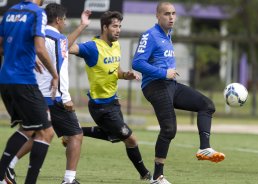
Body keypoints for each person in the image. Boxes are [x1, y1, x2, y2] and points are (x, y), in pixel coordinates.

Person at [132, 2, 225, 184]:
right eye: (167, 14)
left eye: (173, 13)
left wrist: (168, 75)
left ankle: (204, 148)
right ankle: (157, 177)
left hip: (171, 85)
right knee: (169, 129)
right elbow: (137, 63)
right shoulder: (150, 35)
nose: (171, 17)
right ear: (157, 15)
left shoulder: (168, 34)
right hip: (155, 85)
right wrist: (163, 73)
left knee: (207, 105)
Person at [3, 3, 92, 184]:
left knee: (35, 132)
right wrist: (65, 98)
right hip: (53, 97)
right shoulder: (55, 38)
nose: (66, 23)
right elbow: (59, 66)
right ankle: (69, 179)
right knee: (75, 134)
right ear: (59, 20)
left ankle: (9, 166)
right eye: (65, 20)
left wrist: (82, 26)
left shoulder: (39, 34)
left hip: (27, 89)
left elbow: (64, 44)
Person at [69, 11, 151, 181]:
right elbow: (67, 47)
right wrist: (81, 26)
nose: (118, 29)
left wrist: (126, 75)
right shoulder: (92, 47)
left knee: (113, 136)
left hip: (113, 102)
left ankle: (76, 132)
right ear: (104, 27)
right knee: (131, 139)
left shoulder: (116, 45)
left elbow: (116, 72)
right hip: (100, 107)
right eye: (115, 26)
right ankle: (145, 174)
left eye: (120, 26)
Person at [0, 0, 59, 184]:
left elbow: (1, 45)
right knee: (46, 133)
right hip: (24, 81)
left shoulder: (10, 12)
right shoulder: (37, 13)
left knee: (28, 128)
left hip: (6, 81)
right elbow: (40, 48)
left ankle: (2, 174)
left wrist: (22, 54)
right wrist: (54, 74)